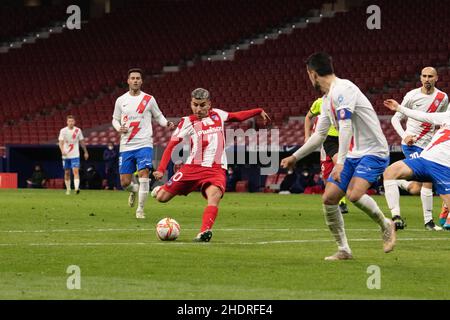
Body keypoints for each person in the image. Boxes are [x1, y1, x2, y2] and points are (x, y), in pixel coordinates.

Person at [281, 52, 396, 260]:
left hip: (374, 151)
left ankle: (386, 224)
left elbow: (345, 127)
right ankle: (344, 249)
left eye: (308, 75)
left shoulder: (344, 89)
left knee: (353, 194)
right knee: (329, 198)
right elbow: (319, 135)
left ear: (313, 74)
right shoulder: (326, 100)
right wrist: (295, 157)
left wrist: (340, 163)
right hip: (354, 153)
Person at [151, 88, 270, 242]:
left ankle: (204, 232)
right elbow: (170, 146)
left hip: (215, 169)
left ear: (209, 104)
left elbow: (236, 116)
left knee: (214, 196)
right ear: (191, 103)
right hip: (192, 168)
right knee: (161, 198)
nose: (198, 109)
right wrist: (161, 169)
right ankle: (161, 188)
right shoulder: (186, 122)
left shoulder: (217, 115)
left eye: (202, 105)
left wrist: (258, 110)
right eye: (195, 105)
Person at [387, 67, 448, 231]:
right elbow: (395, 119)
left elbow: (440, 122)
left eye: (430, 76)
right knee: (429, 180)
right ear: (420, 78)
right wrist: (404, 136)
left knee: (415, 188)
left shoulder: (442, 98)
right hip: (412, 144)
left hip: (430, 146)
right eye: (424, 76)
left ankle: (398, 181)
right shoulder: (412, 96)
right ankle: (429, 222)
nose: (427, 79)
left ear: (436, 78)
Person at [112, 68, 175, 219]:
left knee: (144, 174)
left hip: (144, 144)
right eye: (132, 78)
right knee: (125, 182)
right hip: (126, 145)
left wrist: (166, 123)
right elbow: (114, 119)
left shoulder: (149, 99)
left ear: (141, 81)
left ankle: (140, 210)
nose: (135, 80)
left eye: (138, 78)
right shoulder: (121, 100)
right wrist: (118, 127)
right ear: (128, 81)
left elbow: (158, 116)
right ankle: (134, 190)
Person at [305, 97, 349, 213]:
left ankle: (342, 202)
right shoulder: (319, 102)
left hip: (339, 141)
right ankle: (333, 201)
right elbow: (308, 117)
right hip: (325, 142)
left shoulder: (343, 102)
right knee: (326, 177)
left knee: (339, 167)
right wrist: (307, 136)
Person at [58, 115, 89, 195]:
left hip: (75, 155)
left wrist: (85, 151)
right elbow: (60, 142)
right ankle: (68, 189)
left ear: (74, 122)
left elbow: (82, 141)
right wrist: (62, 151)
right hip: (66, 155)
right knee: (67, 172)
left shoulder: (78, 130)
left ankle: (76, 188)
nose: (71, 123)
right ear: (67, 122)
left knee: (75, 171)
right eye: (69, 121)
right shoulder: (63, 131)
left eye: (72, 121)